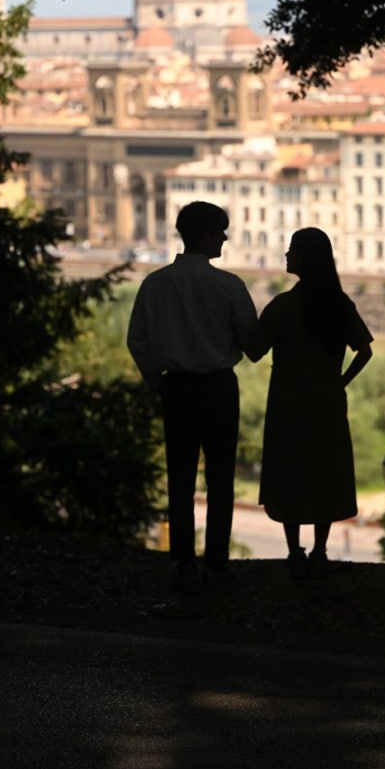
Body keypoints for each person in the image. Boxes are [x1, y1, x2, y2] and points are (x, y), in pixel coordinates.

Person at [127, 201, 258, 592]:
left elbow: (137, 340)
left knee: (179, 476)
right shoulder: (229, 285)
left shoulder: (154, 284)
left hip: (176, 388)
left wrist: (155, 379)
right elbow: (252, 344)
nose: (225, 238)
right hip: (218, 386)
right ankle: (216, 562)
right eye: (221, 231)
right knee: (221, 479)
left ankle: (183, 560)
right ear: (204, 236)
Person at [248, 227, 373, 578]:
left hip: (287, 400)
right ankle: (320, 550)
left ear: (304, 258)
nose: (286, 255)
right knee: (324, 470)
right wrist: (340, 382)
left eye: (291, 250)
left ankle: (294, 551)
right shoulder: (339, 305)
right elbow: (364, 351)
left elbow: (255, 351)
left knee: (289, 469)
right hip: (328, 400)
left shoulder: (283, 306)